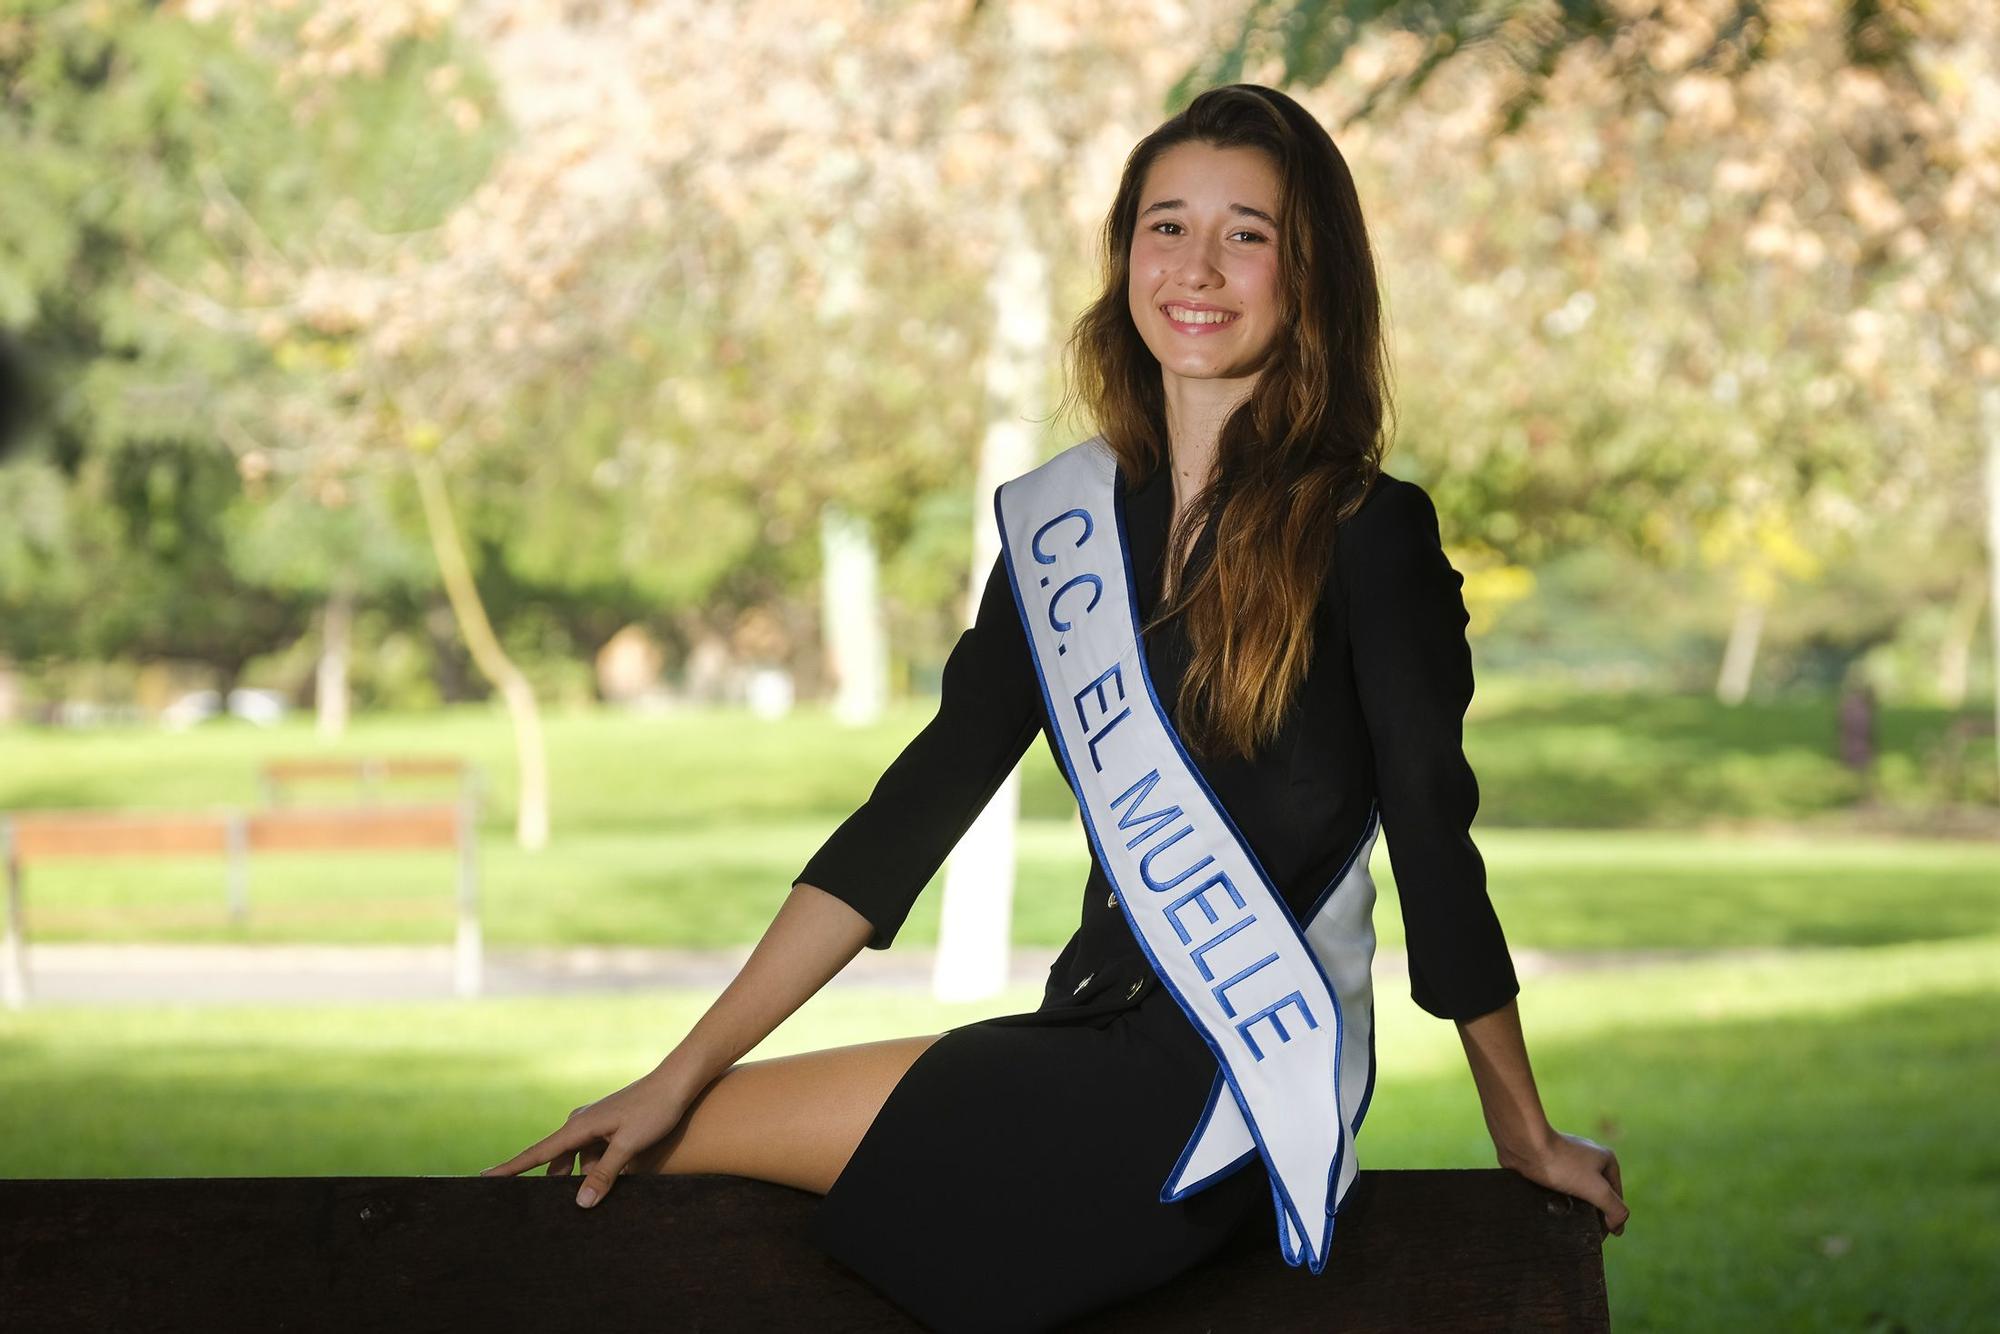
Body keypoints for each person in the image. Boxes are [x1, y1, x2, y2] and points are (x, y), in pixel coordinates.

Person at [481, 83, 1628, 1331]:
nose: (1197, 266)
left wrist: (1519, 1128)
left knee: (683, 1147)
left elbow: (1431, 840)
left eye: (1247, 233)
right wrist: (679, 1064)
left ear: (1311, 278)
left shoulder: (1366, 528)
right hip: (1076, 1045)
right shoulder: (1061, 531)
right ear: (1123, 255)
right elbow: (907, 819)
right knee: (668, 1127)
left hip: (1228, 1092)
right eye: (1164, 225)